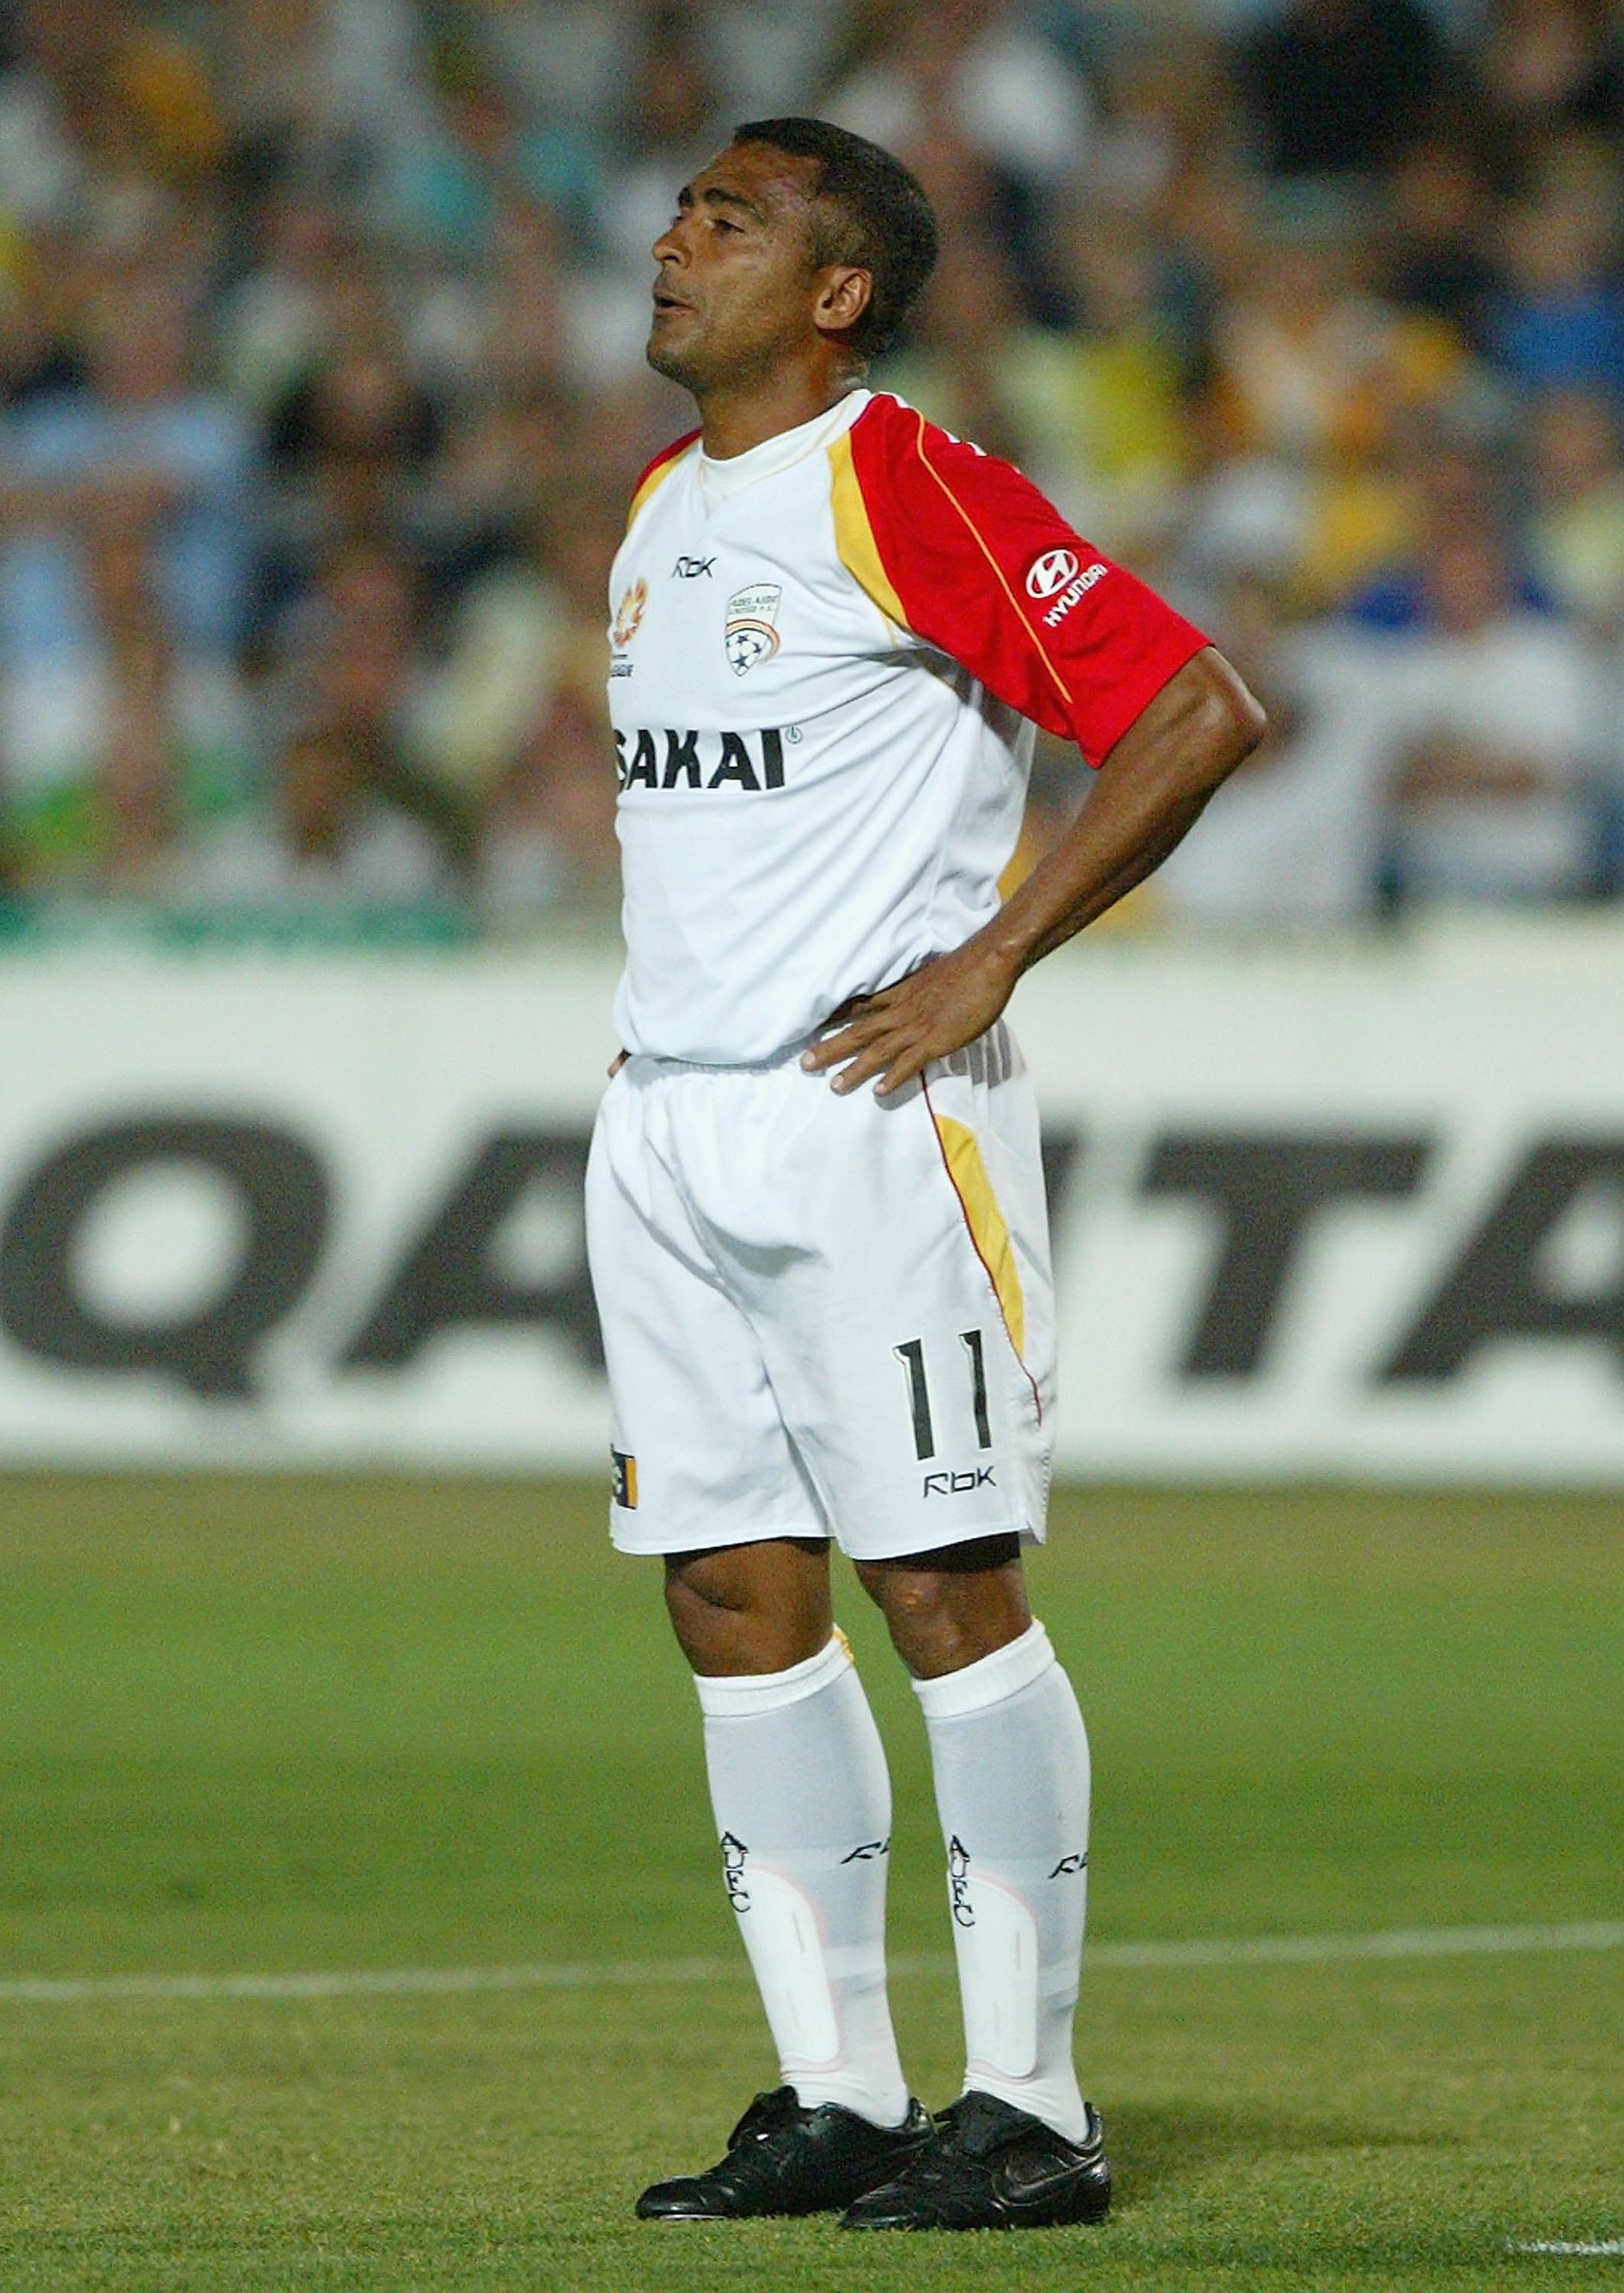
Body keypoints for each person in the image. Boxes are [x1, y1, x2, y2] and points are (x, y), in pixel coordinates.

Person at [585, 115, 1263, 2234]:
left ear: (841, 290)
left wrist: (991, 954)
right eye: (682, 205)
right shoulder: (658, 506)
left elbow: (1194, 705)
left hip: (878, 1122)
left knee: (942, 1587)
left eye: (731, 218)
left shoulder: (903, 480)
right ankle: (841, 2096)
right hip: (672, 1118)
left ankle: (1037, 2109)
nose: (678, 240)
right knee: (727, 1592)